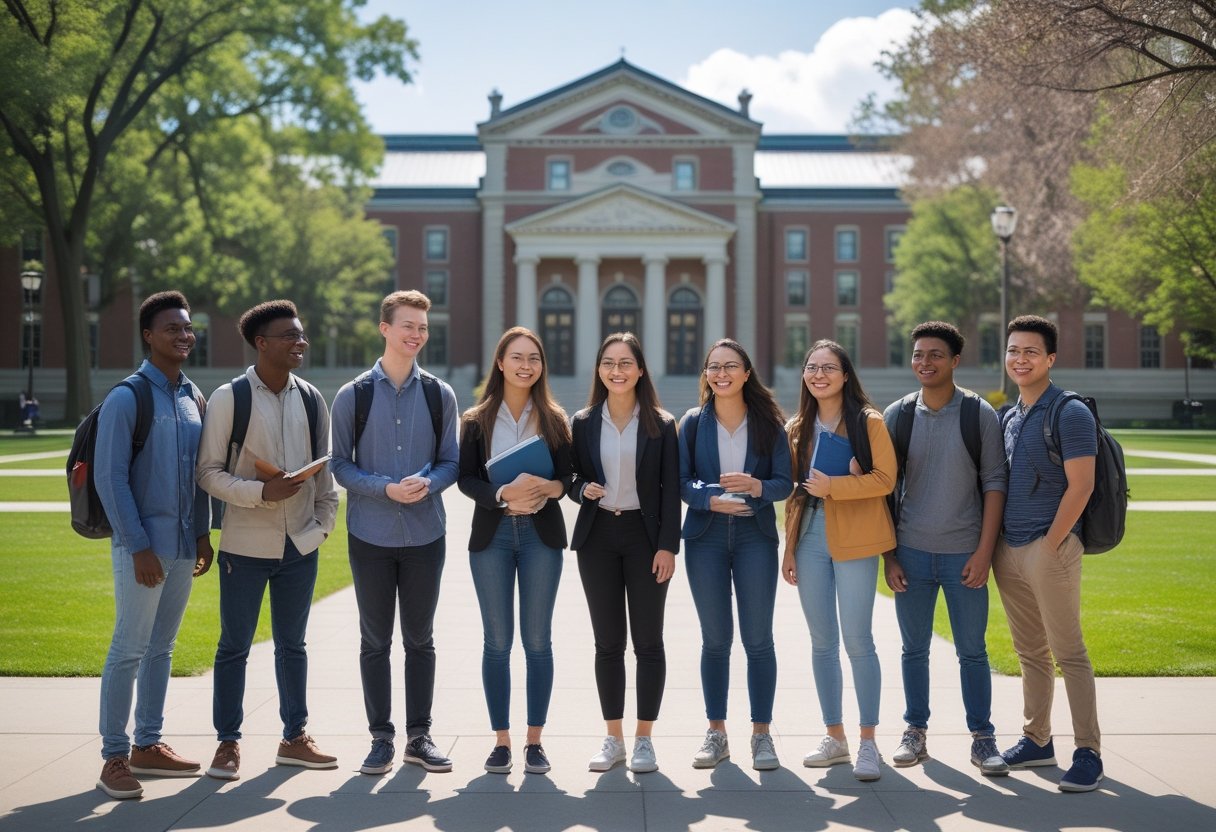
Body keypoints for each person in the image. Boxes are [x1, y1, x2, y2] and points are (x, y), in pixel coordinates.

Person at [196, 299, 340, 781]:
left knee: (292, 646)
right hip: (245, 548)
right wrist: (261, 492)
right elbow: (208, 474)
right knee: (234, 646)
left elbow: (325, 476)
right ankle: (227, 743)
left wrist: (321, 528)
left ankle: (294, 737)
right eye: (289, 336)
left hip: (300, 546)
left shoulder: (312, 399)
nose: (300, 343)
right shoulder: (229, 398)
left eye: (302, 335)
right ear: (261, 342)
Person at [331, 290, 460, 775]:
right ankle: (381, 738)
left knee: (421, 639)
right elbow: (339, 465)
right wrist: (384, 489)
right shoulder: (353, 395)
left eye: (423, 327)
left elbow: (452, 462)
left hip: (427, 535)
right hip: (371, 536)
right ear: (385, 329)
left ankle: (419, 736)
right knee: (374, 641)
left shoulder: (439, 394)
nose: (416, 335)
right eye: (408, 325)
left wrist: (429, 483)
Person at [94, 291, 213, 799]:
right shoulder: (127, 397)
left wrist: (205, 533)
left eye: (187, 328)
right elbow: (109, 478)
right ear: (148, 335)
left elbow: (201, 475)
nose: (184, 335)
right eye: (172, 328)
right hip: (142, 548)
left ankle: (149, 743)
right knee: (128, 649)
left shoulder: (194, 398)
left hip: (186, 547)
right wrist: (138, 545)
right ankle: (114, 757)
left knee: (162, 649)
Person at [880, 322, 1009, 776]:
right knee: (913, 649)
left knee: (972, 651)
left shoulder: (979, 414)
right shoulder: (896, 415)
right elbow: (884, 491)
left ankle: (983, 737)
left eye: (935, 355)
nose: (925, 362)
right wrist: (889, 556)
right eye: (918, 355)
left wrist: (984, 552)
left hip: (964, 554)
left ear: (955, 361)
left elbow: (995, 483)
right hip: (910, 553)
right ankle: (915, 731)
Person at [457, 327, 573, 776]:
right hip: (494, 538)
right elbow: (467, 479)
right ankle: (501, 742)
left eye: (534, 358)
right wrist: (503, 492)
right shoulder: (476, 419)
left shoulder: (556, 419)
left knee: (538, 641)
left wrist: (551, 486)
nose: (526, 365)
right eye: (517, 357)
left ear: (541, 367)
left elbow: (567, 479)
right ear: (500, 362)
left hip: (542, 538)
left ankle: (534, 742)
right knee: (497, 643)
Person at [994, 314, 1103, 792]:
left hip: (1049, 547)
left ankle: (1088, 752)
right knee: (1030, 653)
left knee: (1069, 652)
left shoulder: (1070, 411)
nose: (1020, 359)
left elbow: (1082, 486)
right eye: (1013, 350)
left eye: (1031, 351)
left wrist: (1050, 543)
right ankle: (1038, 740)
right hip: (1009, 549)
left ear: (1050, 358)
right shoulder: (1009, 414)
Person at [781, 339, 895, 782]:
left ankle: (868, 742)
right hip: (808, 536)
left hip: (856, 538)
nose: (819, 375)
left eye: (829, 367)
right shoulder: (797, 427)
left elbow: (885, 479)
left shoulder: (869, 422)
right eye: (812, 367)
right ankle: (835, 737)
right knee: (822, 642)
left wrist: (837, 488)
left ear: (846, 375)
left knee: (858, 640)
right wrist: (789, 549)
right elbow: (794, 493)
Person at [568, 333, 680, 774]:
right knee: (608, 644)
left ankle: (644, 740)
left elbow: (671, 490)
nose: (617, 370)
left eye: (626, 363)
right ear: (599, 369)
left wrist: (668, 545)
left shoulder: (661, 424)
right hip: (597, 538)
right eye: (609, 363)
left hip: (645, 538)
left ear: (639, 370)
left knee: (649, 643)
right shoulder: (582, 421)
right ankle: (612, 738)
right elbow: (571, 476)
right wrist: (582, 489)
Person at [679, 338, 792, 771]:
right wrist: (710, 499)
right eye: (713, 367)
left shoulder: (769, 424)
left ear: (747, 373)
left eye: (730, 366)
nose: (721, 374)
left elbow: (785, 481)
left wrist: (757, 487)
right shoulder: (692, 423)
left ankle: (761, 735)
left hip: (755, 538)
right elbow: (681, 481)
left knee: (758, 640)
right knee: (715, 641)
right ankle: (716, 733)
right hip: (705, 538)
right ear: (706, 375)